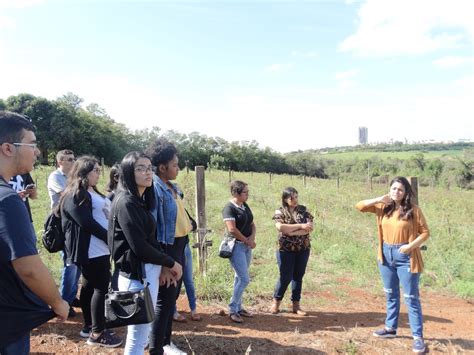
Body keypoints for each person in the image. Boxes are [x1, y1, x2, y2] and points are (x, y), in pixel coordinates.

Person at [0, 111, 69, 354]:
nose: (37, 151)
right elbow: (28, 268)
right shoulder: (8, 200)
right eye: (31, 144)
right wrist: (57, 302)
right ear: (8, 148)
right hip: (8, 323)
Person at [109, 151, 182, 355]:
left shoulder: (140, 200)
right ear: (128, 173)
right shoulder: (126, 202)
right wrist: (170, 262)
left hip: (146, 272)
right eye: (140, 168)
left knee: (142, 333)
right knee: (137, 337)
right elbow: (139, 246)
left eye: (148, 168)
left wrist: (162, 266)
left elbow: (150, 240)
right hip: (136, 275)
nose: (147, 173)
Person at [355, 176, 430, 354]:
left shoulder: (414, 210)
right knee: (391, 294)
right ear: (389, 189)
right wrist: (378, 199)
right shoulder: (383, 207)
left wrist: (410, 247)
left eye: (400, 190)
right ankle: (390, 329)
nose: (396, 192)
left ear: (406, 193)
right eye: (394, 188)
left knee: (411, 298)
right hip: (386, 255)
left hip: (406, 256)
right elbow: (359, 206)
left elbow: (425, 232)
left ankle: (418, 338)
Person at [60, 156, 122, 348]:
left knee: (88, 287)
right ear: (84, 173)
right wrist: (109, 238)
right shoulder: (75, 194)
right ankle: (97, 333)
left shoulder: (90, 192)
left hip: (99, 248)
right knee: (100, 288)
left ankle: (89, 326)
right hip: (93, 249)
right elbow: (86, 223)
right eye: (95, 170)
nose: (98, 173)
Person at [146, 138, 189, 355]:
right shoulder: (155, 188)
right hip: (168, 249)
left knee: (171, 298)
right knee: (164, 300)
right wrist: (163, 263)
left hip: (180, 246)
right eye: (174, 165)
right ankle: (157, 348)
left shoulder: (172, 186)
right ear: (162, 167)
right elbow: (152, 229)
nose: (178, 168)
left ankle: (166, 342)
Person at [270, 187, 313, 316]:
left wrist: (291, 231)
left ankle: (296, 305)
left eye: (296, 196)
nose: (294, 200)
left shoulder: (304, 210)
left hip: (303, 249)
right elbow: (281, 227)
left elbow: (309, 228)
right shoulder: (280, 211)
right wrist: (300, 226)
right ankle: (276, 302)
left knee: (298, 276)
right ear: (285, 199)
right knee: (285, 277)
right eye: (291, 197)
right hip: (285, 249)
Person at [47, 149, 81, 317]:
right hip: (61, 224)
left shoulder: (73, 177)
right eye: (69, 159)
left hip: (73, 223)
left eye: (73, 159)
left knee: (77, 260)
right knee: (70, 262)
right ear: (60, 162)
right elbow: (68, 197)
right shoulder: (55, 177)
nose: (73, 162)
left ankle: (71, 295)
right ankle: (64, 300)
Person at [222, 180, 256, 324]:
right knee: (244, 279)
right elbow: (232, 229)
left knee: (239, 278)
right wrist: (247, 240)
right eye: (245, 192)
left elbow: (252, 223)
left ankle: (238, 307)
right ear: (236, 193)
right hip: (236, 246)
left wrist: (252, 238)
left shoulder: (244, 205)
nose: (247, 194)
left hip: (246, 246)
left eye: (248, 192)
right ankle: (233, 309)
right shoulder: (229, 208)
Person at [173, 241, 201, 322]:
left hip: (185, 245)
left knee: (189, 281)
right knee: (175, 280)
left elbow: (193, 227)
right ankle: (174, 311)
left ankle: (193, 309)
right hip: (172, 246)